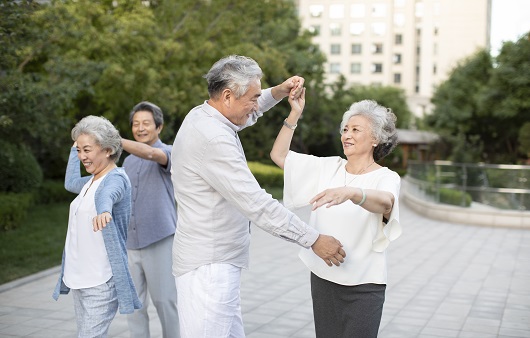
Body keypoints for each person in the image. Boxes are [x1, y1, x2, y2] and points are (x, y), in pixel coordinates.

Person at [170, 55, 346, 338]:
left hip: (212, 261)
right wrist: (313, 239)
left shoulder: (204, 115)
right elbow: (257, 204)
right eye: (252, 97)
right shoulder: (214, 139)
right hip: (210, 269)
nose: (256, 106)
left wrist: (279, 91)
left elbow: (251, 107)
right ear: (228, 96)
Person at [270, 95, 402, 338]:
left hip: (364, 285)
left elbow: (386, 202)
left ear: (375, 139)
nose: (346, 135)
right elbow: (280, 156)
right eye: (345, 129)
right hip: (323, 279)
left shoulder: (386, 177)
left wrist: (353, 193)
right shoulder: (329, 167)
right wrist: (294, 114)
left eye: (355, 129)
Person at [53, 115, 142, 337]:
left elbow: (108, 196)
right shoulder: (90, 181)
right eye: (80, 150)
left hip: (101, 281)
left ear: (108, 150)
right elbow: (70, 183)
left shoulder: (116, 178)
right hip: (80, 277)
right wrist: (75, 151)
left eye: (87, 150)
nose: (83, 156)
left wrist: (104, 211)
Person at [121, 101, 180, 338]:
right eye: (136, 124)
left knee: (166, 301)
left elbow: (150, 153)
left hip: (160, 238)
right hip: (130, 241)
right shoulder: (127, 161)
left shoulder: (168, 151)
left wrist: (113, 140)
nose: (140, 128)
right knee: (134, 305)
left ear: (159, 127)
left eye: (146, 123)